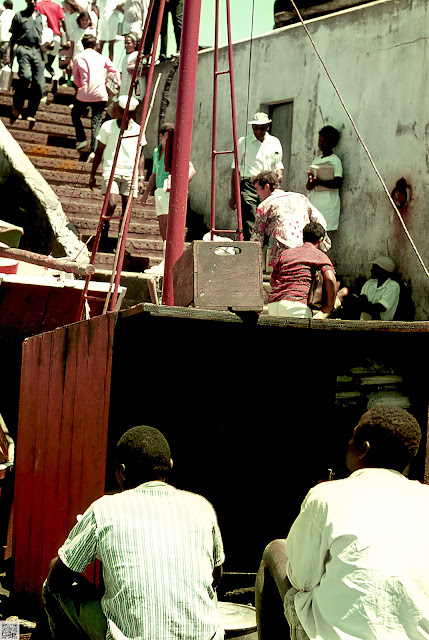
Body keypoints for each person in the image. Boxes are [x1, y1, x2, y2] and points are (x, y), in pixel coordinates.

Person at [255, 405, 429, 640]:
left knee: (275, 549)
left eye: (352, 436)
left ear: (363, 449)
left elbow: (300, 579)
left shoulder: (326, 496)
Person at [43, 425, 225, 640]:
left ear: (121, 470)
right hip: (205, 636)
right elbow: (216, 576)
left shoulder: (105, 509)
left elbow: (59, 578)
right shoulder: (202, 507)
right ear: (170, 466)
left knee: (52, 588)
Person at [89, 94, 145, 250]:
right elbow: (99, 151)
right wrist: (92, 175)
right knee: (112, 202)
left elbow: (141, 155)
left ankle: (121, 241)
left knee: (126, 210)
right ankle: (104, 226)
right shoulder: (108, 126)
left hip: (130, 174)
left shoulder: (139, 130)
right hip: (111, 171)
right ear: (120, 111)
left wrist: (141, 178)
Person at [141, 122, 196, 275]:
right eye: (168, 135)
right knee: (162, 227)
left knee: (169, 225)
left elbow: (192, 169)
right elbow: (153, 174)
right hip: (159, 191)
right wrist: (146, 193)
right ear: (162, 135)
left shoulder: (176, 150)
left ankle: (169, 261)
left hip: (170, 192)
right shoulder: (157, 151)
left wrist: (179, 184)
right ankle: (166, 260)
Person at [251, 170, 328, 267]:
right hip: (306, 250)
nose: (257, 194)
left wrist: (251, 262)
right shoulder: (300, 198)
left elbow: (257, 237)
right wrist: (321, 243)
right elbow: (320, 220)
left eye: (257, 189)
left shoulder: (264, 206)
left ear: (266, 187)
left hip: (285, 254)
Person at [229, 112, 283, 240]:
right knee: (250, 218)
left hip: (268, 185)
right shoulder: (244, 142)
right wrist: (233, 196)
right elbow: (235, 169)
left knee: (269, 217)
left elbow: (278, 164)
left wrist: (279, 174)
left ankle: (263, 250)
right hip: (249, 184)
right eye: (256, 127)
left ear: (267, 127)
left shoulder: (274, 142)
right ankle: (250, 249)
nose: (258, 131)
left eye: (262, 127)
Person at [267, 222, 338, 319]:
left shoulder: (286, 253)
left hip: (274, 305)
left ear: (303, 238)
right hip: (296, 306)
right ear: (321, 239)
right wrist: (329, 306)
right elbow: (330, 279)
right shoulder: (320, 256)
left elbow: (272, 281)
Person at [72, 33, 119, 152]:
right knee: (96, 121)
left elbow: (76, 80)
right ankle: (94, 151)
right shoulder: (102, 57)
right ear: (95, 46)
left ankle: (82, 138)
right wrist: (117, 84)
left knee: (75, 114)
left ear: (83, 45)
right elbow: (114, 70)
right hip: (100, 93)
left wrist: (81, 86)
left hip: (84, 93)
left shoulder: (78, 58)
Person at [7, 0, 46, 122]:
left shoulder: (41, 17)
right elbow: (12, 38)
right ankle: (17, 106)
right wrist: (8, 55)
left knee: (40, 84)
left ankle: (31, 111)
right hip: (23, 48)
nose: (33, 2)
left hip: (38, 50)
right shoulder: (19, 15)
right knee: (25, 77)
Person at [306, 125, 343, 232]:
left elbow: (338, 183)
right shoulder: (316, 160)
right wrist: (311, 182)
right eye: (319, 141)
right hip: (315, 203)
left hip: (328, 205)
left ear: (332, 143)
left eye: (324, 141)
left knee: (324, 234)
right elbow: (308, 187)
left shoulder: (334, 160)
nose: (320, 144)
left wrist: (320, 182)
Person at [34, 0, 67, 90]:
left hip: (45, 36)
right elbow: (62, 20)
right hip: (56, 37)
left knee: (42, 61)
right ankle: (54, 76)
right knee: (49, 62)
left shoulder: (38, 5)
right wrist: (66, 35)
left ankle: (44, 83)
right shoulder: (56, 6)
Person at [358, 255, 400, 321]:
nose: (371, 270)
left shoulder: (393, 286)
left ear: (383, 271)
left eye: (374, 268)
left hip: (382, 322)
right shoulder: (369, 283)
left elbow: (381, 308)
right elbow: (361, 301)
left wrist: (365, 305)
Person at [0, 0, 14, 69]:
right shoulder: (14, 14)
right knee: (6, 61)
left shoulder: (3, 14)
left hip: (2, 39)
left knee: (1, 60)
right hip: (9, 40)